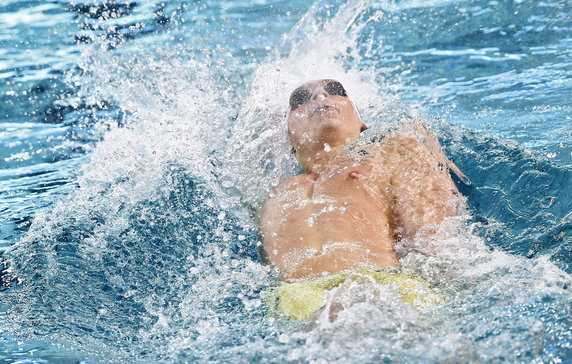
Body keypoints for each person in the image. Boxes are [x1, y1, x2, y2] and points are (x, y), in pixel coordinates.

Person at [259, 79, 466, 320]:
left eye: (335, 90)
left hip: (380, 285)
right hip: (298, 298)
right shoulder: (272, 193)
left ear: (362, 124)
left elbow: (436, 239)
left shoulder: (391, 153)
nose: (319, 95)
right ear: (289, 139)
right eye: (299, 100)